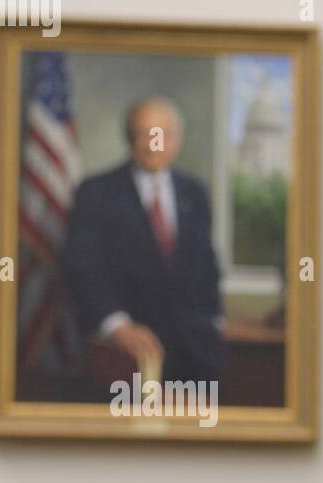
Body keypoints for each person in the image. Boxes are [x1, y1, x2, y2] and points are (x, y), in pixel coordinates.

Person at [60, 96, 224, 396]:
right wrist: (116, 325)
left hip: (192, 355)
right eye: (145, 134)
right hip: (120, 357)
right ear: (129, 137)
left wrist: (211, 322)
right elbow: (81, 266)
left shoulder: (195, 193)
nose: (154, 145)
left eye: (163, 135)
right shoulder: (96, 192)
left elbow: (206, 267)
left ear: (178, 140)